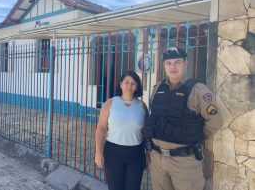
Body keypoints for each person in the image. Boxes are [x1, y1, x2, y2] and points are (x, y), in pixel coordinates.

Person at [142, 47, 223, 190]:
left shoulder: (199, 90)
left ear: (186, 63)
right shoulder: (157, 89)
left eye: (177, 62)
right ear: (164, 65)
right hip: (158, 159)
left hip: (185, 162)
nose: (173, 67)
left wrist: (192, 135)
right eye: (169, 63)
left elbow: (215, 121)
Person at [95, 70, 148, 190]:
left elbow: (146, 132)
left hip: (136, 153)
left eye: (133, 83)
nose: (129, 86)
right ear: (120, 84)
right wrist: (98, 152)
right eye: (126, 82)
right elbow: (101, 129)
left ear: (136, 87)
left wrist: (148, 153)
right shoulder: (110, 103)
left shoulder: (142, 106)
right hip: (113, 152)